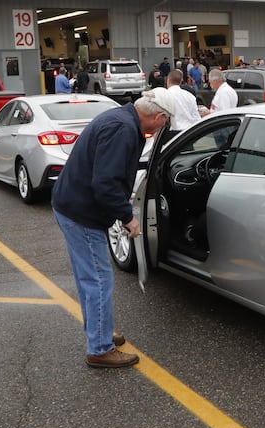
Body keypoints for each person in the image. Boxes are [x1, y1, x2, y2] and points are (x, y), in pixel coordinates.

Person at [52, 88, 175, 368]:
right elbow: (105, 184)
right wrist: (127, 217)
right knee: (97, 280)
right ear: (157, 116)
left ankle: (100, 332)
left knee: (89, 279)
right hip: (82, 213)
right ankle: (99, 348)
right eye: (164, 123)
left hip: (71, 205)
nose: (162, 128)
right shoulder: (123, 130)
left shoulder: (120, 118)